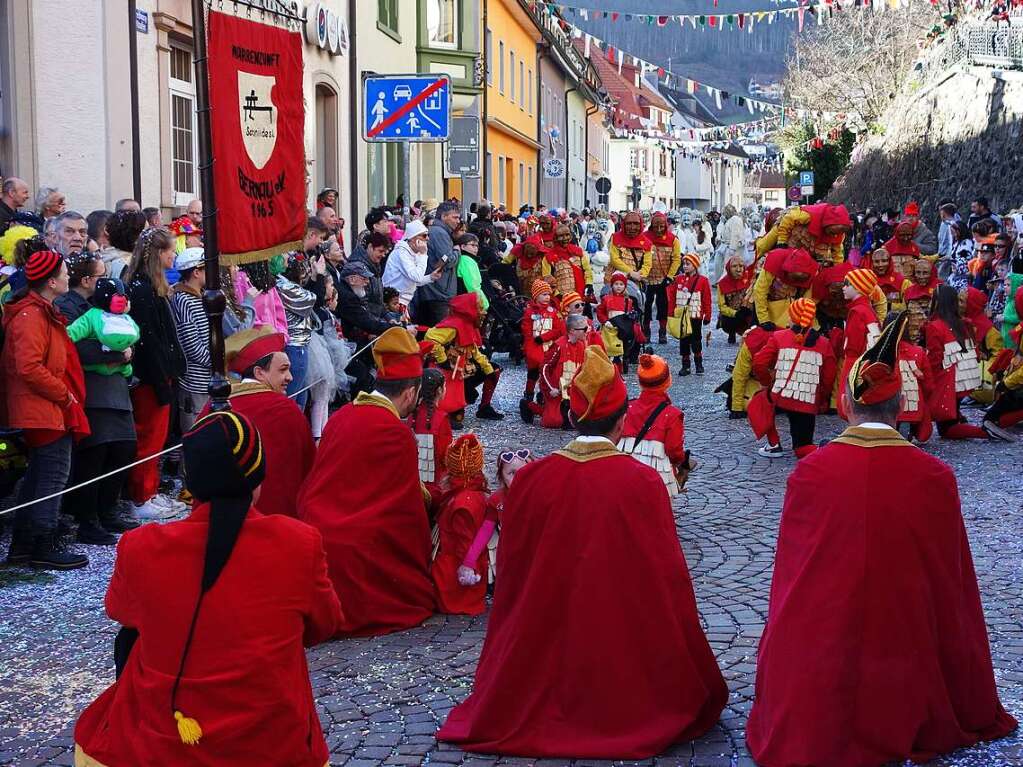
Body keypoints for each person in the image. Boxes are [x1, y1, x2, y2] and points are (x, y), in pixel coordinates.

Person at [746, 315, 1017, 767]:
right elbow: (952, 586)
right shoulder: (935, 476)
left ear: (847, 405)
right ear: (900, 406)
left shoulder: (811, 472)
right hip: (908, 648)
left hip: (826, 650)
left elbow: (792, 579)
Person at [437, 345, 727, 758]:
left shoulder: (533, 479)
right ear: (623, 420)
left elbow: (515, 574)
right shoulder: (641, 482)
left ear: (572, 417)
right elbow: (664, 575)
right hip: (618, 637)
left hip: (547, 629)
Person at [73, 410, 344, 766]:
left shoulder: (140, 547)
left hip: (163, 738)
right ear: (257, 478)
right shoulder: (299, 543)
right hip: (272, 743)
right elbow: (325, 624)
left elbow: (121, 612)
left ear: (191, 482)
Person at [299, 327, 436, 637]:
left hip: (317, 536)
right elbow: (405, 513)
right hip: (354, 556)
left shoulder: (342, 415)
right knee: (416, 594)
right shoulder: (395, 432)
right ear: (411, 393)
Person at [1, 249, 91, 569]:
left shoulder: (38, 310)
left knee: (42, 474)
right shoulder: (31, 315)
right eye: (65, 272)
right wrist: (64, 395)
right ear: (51, 282)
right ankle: (42, 542)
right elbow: (28, 367)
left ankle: (25, 544)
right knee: (52, 475)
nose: (69, 276)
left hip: (45, 404)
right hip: (42, 405)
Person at [56, 256, 140, 542]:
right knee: (96, 454)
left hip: (117, 388)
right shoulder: (71, 307)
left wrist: (126, 353)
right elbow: (71, 346)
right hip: (93, 390)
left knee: (123, 449)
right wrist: (118, 354)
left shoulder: (111, 311)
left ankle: (108, 509)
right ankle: (87, 519)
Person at [210, 327, 316, 518]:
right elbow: (310, 469)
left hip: (217, 520)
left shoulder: (213, 406)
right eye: (283, 370)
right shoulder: (285, 410)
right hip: (275, 521)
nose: (290, 377)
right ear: (259, 373)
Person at [124, 227, 187, 519]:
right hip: (151, 378)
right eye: (170, 250)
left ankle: (149, 489)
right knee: (148, 437)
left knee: (156, 437)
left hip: (162, 374)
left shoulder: (151, 286)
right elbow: (149, 341)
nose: (173, 255)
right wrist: (162, 377)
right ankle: (141, 496)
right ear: (158, 254)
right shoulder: (142, 290)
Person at [752, 298, 837, 459]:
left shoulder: (779, 337)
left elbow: (759, 363)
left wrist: (767, 383)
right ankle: (824, 452)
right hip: (807, 401)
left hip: (780, 396)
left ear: (792, 318)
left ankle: (773, 444)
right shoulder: (824, 343)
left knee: (758, 403)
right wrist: (821, 399)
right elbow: (828, 377)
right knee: (802, 447)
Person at [431, 433, 490, 616]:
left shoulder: (463, 501)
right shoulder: (471, 494)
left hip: (453, 579)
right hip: (457, 570)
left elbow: (465, 546)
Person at [457, 447, 533, 588]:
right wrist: (469, 561)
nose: (519, 477)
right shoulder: (497, 500)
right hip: (509, 556)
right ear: (502, 477)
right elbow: (485, 532)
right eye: (512, 473)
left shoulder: (540, 497)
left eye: (525, 472)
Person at [425, 292, 503, 428]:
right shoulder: (454, 325)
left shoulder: (468, 325)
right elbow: (431, 338)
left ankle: (484, 407)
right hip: (448, 371)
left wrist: (488, 369)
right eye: (479, 309)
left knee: (494, 370)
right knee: (455, 411)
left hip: (461, 370)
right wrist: (442, 360)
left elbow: (474, 350)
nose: (483, 313)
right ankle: (443, 414)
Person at [618, 353, 691, 496]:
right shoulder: (672, 414)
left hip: (625, 470)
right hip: (658, 474)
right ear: (667, 382)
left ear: (640, 382)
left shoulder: (627, 407)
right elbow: (674, 451)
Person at [924, 284, 987, 440]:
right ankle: (959, 417)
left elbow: (935, 360)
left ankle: (984, 432)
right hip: (963, 381)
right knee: (950, 419)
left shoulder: (935, 326)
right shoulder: (963, 323)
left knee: (946, 430)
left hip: (948, 381)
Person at [336, 259, 395, 398]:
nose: (367, 283)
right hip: (345, 346)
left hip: (353, 341)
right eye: (364, 279)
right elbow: (367, 323)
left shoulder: (352, 294)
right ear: (352, 279)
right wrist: (395, 328)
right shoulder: (348, 297)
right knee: (362, 377)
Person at [169, 248, 211, 435]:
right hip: (196, 383)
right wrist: (216, 361)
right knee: (196, 434)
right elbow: (191, 345)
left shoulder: (200, 296)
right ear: (196, 272)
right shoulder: (184, 300)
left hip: (207, 379)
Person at [278, 250, 326, 410]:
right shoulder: (282, 285)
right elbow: (314, 299)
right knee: (292, 400)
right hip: (294, 347)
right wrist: (318, 275)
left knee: (301, 398)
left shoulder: (286, 283)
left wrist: (315, 278)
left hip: (300, 346)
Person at [837, 268, 882, 420]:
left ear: (858, 287)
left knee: (848, 403)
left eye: (847, 284)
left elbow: (853, 346)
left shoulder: (857, 312)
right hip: (866, 361)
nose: (843, 287)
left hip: (854, 362)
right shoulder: (868, 310)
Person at [520, 280, 564, 422]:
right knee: (533, 372)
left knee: (547, 372)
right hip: (535, 347)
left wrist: (544, 337)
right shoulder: (529, 312)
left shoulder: (553, 311)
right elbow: (526, 330)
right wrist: (529, 345)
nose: (547, 297)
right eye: (544, 294)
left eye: (548, 294)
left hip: (548, 346)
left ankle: (543, 394)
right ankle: (529, 395)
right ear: (536, 296)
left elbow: (558, 329)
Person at [536, 313, 589, 428]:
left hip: (573, 391)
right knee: (554, 422)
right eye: (584, 329)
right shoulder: (559, 345)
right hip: (557, 390)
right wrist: (551, 388)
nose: (587, 331)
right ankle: (532, 407)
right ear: (572, 331)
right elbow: (545, 367)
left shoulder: (582, 345)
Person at [408, 368, 451, 503]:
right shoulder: (441, 418)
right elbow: (446, 456)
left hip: (414, 480)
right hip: (435, 484)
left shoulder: (412, 416)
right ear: (439, 390)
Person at [750, 247, 820, 328]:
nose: (795, 282)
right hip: (765, 300)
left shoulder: (815, 273)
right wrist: (764, 320)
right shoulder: (775, 259)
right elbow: (760, 290)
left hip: (791, 305)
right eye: (794, 278)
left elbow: (806, 301)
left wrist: (801, 321)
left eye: (800, 279)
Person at [416, 201, 461, 325]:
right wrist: (457, 252)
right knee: (440, 335)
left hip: (437, 291)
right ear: (443, 216)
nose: (458, 221)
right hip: (438, 293)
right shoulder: (439, 233)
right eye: (455, 217)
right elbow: (446, 260)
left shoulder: (440, 232)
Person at [382, 219, 441, 312]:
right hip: (394, 301)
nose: (427, 239)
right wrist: (423, 255)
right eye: (424, 235)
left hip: (403, 300)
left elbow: (412, 280)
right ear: (413, 238)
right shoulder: (402, 252)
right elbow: (415, 277)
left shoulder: (412, 253)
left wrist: (430, 277)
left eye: (428, 235)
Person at [668, 254, 712, 376]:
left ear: (695, 265)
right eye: (684, 264)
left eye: (688, 264)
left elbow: (706, 299)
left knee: (696, 340)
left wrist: (707, 315)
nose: (685, 266)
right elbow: (672, 298)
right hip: (682, 315)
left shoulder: (703, 281)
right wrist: (671, 313)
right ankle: (685, 365)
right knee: (684, 340)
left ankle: (699, 364)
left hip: (695, 316)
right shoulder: (678, 280)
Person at [643, 213, 681, 344]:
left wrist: (670, 276)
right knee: (645, 305)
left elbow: (676, 259)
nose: (658, 230)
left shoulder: (673, 240)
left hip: (664, 278)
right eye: (656, 227)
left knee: (663, 305)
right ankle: (646, 330)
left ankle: (662, 331)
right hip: (646, 278)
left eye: (661, 226)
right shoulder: (644, 237)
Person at [596, 271, 639, 373]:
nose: (618, 287)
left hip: (623, 327)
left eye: (621, 284)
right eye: (616, 284)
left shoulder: (628, 300)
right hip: (610, 326)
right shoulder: (607, 299)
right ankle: (610, 365)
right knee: (610, 346)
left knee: (623, 346)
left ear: (624, 286)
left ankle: (623, 363)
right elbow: (600, 311)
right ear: (612, 285)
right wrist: (605, 321)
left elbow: (629, 313)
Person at [607, 210, 652, 287]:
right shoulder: (616, 237)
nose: (632, 227)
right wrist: (631, 272)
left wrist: (640, 275)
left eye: (636, 224)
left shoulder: (646, 242)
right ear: (624, 224)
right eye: (629, 224)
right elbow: (614, 259)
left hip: (636, 281)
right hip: (615, 280)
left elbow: (647, 264)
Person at [716, 255, 753, 343]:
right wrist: (735, 313)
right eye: (734, 266)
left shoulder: (750, 279)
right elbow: (722, 306)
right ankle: (731, 332)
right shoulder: (721, 284)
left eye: (741, 266)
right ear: (729, 268)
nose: (738, 269)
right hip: (732, 315)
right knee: (727, 320)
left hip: (747, 310)